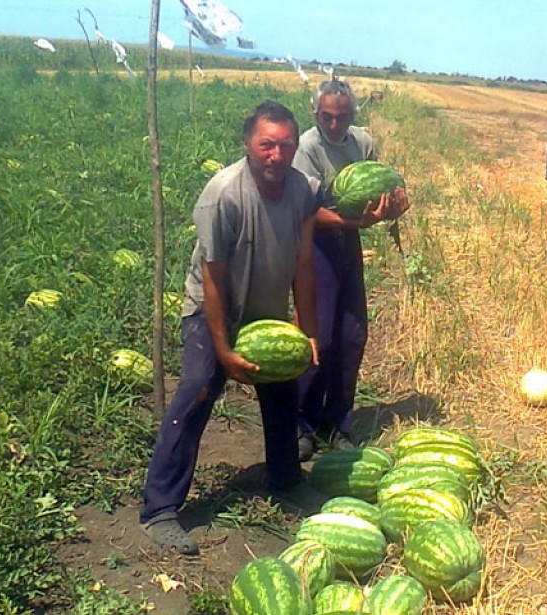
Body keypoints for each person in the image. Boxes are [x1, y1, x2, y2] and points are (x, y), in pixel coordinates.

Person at [140, 100, 321, 555]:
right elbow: (213, 278)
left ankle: (284, 479)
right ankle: (160, 509)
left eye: (286, 146)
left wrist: (309, 329)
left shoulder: (300, 190)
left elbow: (302, 263)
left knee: (283, 392)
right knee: (198, 388)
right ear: (247, 145)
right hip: (213, 307)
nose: (276, 155)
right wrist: (221, 349)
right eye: (267, 145)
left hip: (264, 308)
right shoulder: (223, 194)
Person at [291, 79, 409, 456]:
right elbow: (307, 210)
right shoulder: (308, 147)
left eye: (342, 118)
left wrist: (390, 207)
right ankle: (301, 424)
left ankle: (337, 422)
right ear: (316, 114)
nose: (335, 125)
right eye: (327, 117)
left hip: (347, 241)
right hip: (316, 242)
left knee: (352, 334)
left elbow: (376, 190)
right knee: (318, 336)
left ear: (353, 116)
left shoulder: (362, 143)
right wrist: (355, 223)